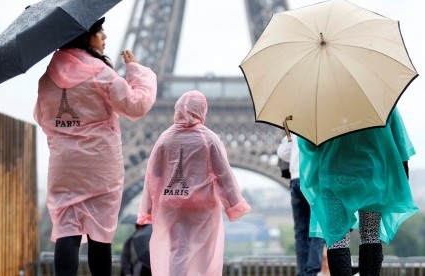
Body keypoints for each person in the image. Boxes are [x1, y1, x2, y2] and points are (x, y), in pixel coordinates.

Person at [34, 17, 157, 276]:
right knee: (100, 232)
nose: (104, 36)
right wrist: (135, 70)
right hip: (100, 164)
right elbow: (135, 105)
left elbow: (42, 117)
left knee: (67, 228)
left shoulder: (48, 77)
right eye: (99, 31)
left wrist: (68, 136)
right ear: (85, 36)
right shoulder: (100, 72)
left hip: (64, 164)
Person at [137, 90, 251, 276]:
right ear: (202, 111)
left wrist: (148, 209)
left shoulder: (165, 139)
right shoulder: (209, 139)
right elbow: (224, 176)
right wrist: (234, 205)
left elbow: (153, 177)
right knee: (203, 255)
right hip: (202, 208)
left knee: (177, 253)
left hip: (172, 207)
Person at [297, 107, 418, 276]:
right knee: (370, 235)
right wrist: (402, 174)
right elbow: (399, 137)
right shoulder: (377, 96)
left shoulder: (321, 101)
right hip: (369, 176)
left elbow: (308, 144)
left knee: (337, 239)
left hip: (333, 176)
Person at [277, 134, 325, 276]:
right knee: (318, 228)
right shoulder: (323, 124)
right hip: (314, 179)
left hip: (296, 179)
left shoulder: (296, 124)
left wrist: (295, 156)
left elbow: (282, 152)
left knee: (300, 230)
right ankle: (312, 271)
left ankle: (302, 271)